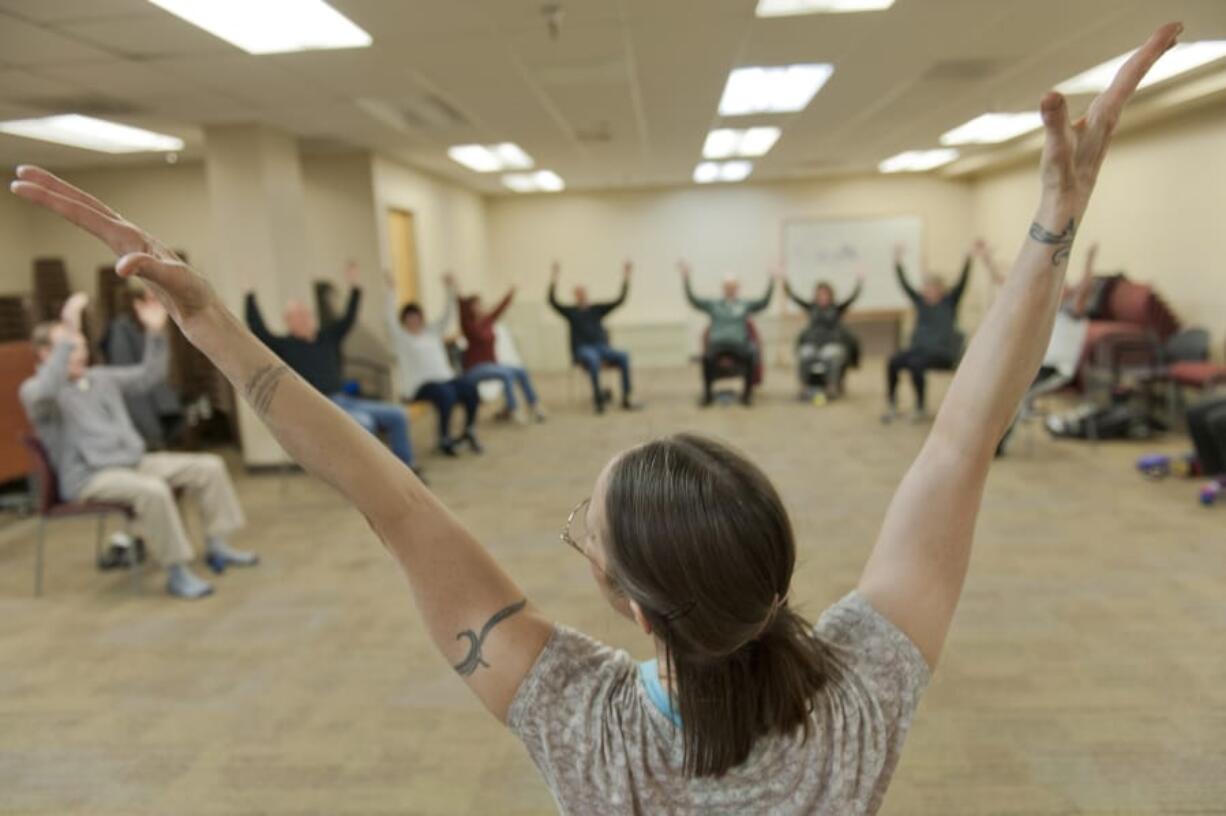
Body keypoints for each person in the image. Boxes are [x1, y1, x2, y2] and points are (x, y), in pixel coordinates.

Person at [10, 22, 1180, 810]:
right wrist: (1048, 233)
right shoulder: (865, 688)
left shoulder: (579, 718)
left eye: (588, 525)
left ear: (619, 600)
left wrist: (218, 329)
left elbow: (387, 501)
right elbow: (960, 442)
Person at [19, 290, 255, 599]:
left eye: (81, 345)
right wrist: (69, 328)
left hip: (133, 463)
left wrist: (156, 332)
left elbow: (149, 376)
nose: (79, 352)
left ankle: (218, 545)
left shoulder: (100, 377)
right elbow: (47, 388)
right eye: (69, 346)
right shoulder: (37, 391)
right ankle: (177, 570)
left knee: (209, 466)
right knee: (154, 491)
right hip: (90, 477)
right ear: (45, 354)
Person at [245, 262, 420, 473]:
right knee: (364, 424)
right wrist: (249, 295)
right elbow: (258, 329)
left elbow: (348, 318)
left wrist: (354, 287)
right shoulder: (285, 346)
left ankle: (406, 469)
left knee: (398, 414)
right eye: (299, 315)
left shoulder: (326, 337)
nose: (305, 318)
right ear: (289, 322)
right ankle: (375, 476)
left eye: (306, 313)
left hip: (344, 400)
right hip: (319, 406)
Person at [994, 242, 1097, 456]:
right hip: (1037, 366)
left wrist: (1089, 260)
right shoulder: (1049, 310)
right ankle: (992, 439)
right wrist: (989, 261)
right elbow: (1011, 285)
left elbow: (1084, 288)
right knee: (1002, 387)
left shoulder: (1073, 312)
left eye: (1065, 286)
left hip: (1057, 370)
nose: (1060, 290)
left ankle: (998, 445)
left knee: (1016, 395)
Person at [388, 271, 482, 456]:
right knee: (446, 394)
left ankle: (469, 430)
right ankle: (444, 438)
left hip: (445, 378)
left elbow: (447, 315)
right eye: (409, 318)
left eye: (417, 317)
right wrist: (391, 292)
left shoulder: (431, 332)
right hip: (421, 384)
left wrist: (449, 289)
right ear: (404, 320)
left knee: (469, 388)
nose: (414, 321)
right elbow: (390, 321)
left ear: (421, 318)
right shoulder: (403, 338)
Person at [882, 242, 975, 423]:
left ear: (941, 289)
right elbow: (905, 284)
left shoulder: (950, 302)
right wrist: (897, 261)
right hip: (919, 350)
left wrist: (968, 257)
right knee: (893, 361)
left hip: (942, 354)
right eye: (927, 288)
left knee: (916, 364)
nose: (929, 291)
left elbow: (963, 282)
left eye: (933, 288)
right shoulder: (920, 302)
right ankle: (892, 403)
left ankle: (919, 406)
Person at [548, 260, 640, 414]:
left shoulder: (596, 309)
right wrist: (554, 277)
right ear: (575, 296)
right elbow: (552, 302)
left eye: (583, 292)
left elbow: (620, 300)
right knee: (592, 359)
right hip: (583, 350)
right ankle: (599, 400)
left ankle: (627, 397)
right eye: (578, 293)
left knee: (623, 356)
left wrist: (626, 277)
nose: (581, 295)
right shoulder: (571, 312)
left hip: (601, 347)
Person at [681, 261, 775, 406]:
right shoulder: (713, 304)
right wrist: (686, 278)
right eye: (727, 287)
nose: (730, 290)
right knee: (706, 357)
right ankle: (707, 396)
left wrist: (772, 280)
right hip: (718, 344)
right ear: (723, 288)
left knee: (751, 354)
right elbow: (693, 300)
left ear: (737, 288)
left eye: (733, 287)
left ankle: (747, 395)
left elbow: (764, 302)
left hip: (738, 344)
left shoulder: (744, 304)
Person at [102, 281, 183, 448]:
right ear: (136, 302)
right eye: (151, 298)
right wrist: (150, 428)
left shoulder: (155, 324)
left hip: (161, 402)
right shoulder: (122, 328)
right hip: (141, 408)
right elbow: (130, 379)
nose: (157, 303)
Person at [458, 286, 545, 423]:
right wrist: (456, 288)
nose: (480, 307)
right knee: (506, 374)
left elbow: (500, 308)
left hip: (492, 365)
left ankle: (534, 405)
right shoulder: (468, 325)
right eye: (476, 305)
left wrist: (511, 293)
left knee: (520, 370)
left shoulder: (487, 320)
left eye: (480, 304)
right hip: (475, 368)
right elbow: (461, 309)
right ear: (470, 308)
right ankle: (513, 409)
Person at [785, 273, 864, 400]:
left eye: (825, 294)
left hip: (832, 344)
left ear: (830, 295)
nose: (822, 296)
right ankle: (803, 386)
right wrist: (784, 278)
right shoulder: (812, 308)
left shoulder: (836, 309)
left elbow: (852, 298)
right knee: (804, 354)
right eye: (819, 294)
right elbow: (793, 296)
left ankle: (831, 386)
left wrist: (860, 282)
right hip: (813, 344)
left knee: (831, 356)